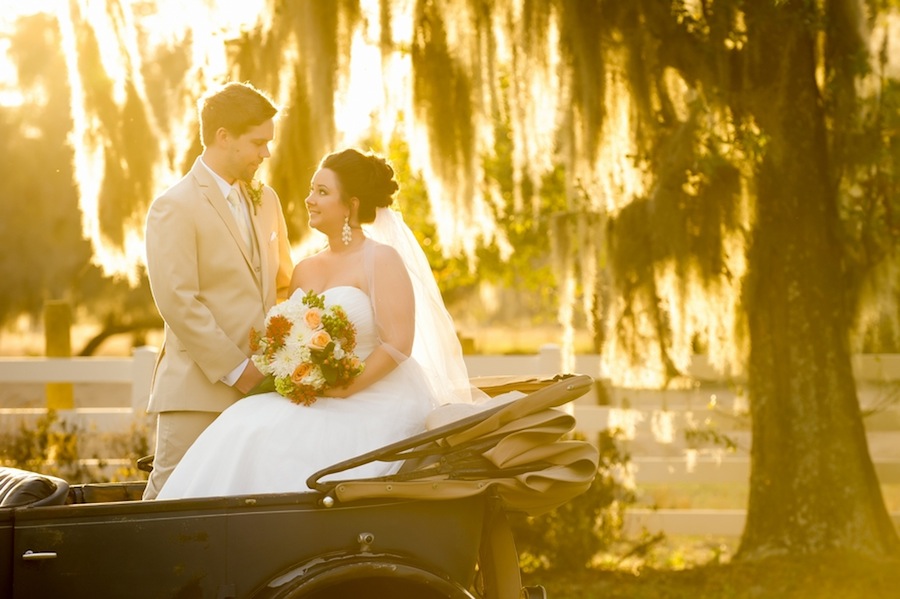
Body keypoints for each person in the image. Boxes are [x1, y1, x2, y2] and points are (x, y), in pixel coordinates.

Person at [155, 149, 474, 499]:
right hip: (312, 395)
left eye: (322, 192)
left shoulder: (380, 259)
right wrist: (294, 370)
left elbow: (398, 344)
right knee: (242, 424)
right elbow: (285, 334)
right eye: (311, 190)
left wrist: (347, 386)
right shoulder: (305, 268)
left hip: (371, 394)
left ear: (350, 205)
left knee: (270, 434)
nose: (310, 200)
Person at [142, 82, 293, 500]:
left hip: (263, 390)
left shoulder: (267, 202)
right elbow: (178, 300)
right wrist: (237, 370)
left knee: (243, 503)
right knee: (170, 499)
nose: (266, 153)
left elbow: (283, 286)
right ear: (223, 136)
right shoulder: (174, 206)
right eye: (258, 142)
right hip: (197, 390)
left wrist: (287, 359)